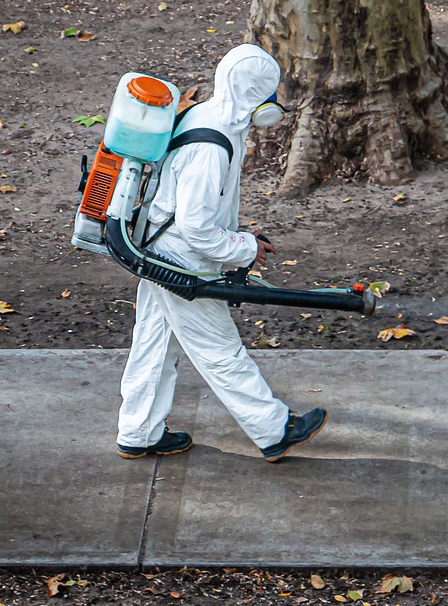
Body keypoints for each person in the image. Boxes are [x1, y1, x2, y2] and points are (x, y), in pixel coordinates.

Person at [115, 43, 326, 463]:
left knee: (154, 344)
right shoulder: (212, 147)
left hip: (157, 246)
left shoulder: (205, 115)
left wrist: (239, 238)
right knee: (219, 349)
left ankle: (138, 432)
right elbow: (195, 227)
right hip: (179, 259)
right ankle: (273, 430)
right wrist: (244, 248)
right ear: (255, 94)